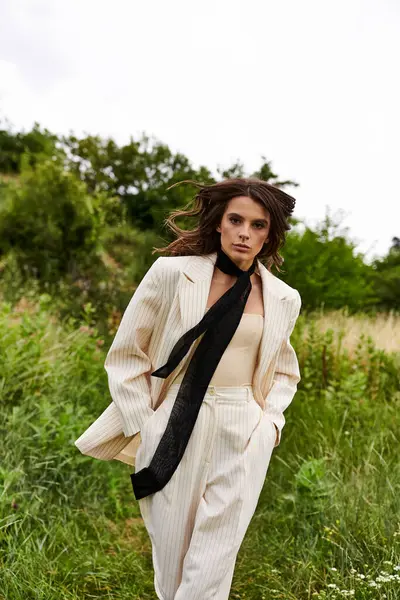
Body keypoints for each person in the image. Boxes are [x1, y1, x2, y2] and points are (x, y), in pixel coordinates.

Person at [75, 177, 302, 599]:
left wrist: (269, 426)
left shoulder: (283, 298)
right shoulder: (171, 275)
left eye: (258, 225)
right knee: (173, 557)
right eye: (236, 220)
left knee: (215, 557)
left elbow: (285, 372)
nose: (244, 233)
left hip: (244, 427)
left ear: (269, 234)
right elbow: (126, 354)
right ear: (219, 223)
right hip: (175, 420)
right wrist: (148, 424)